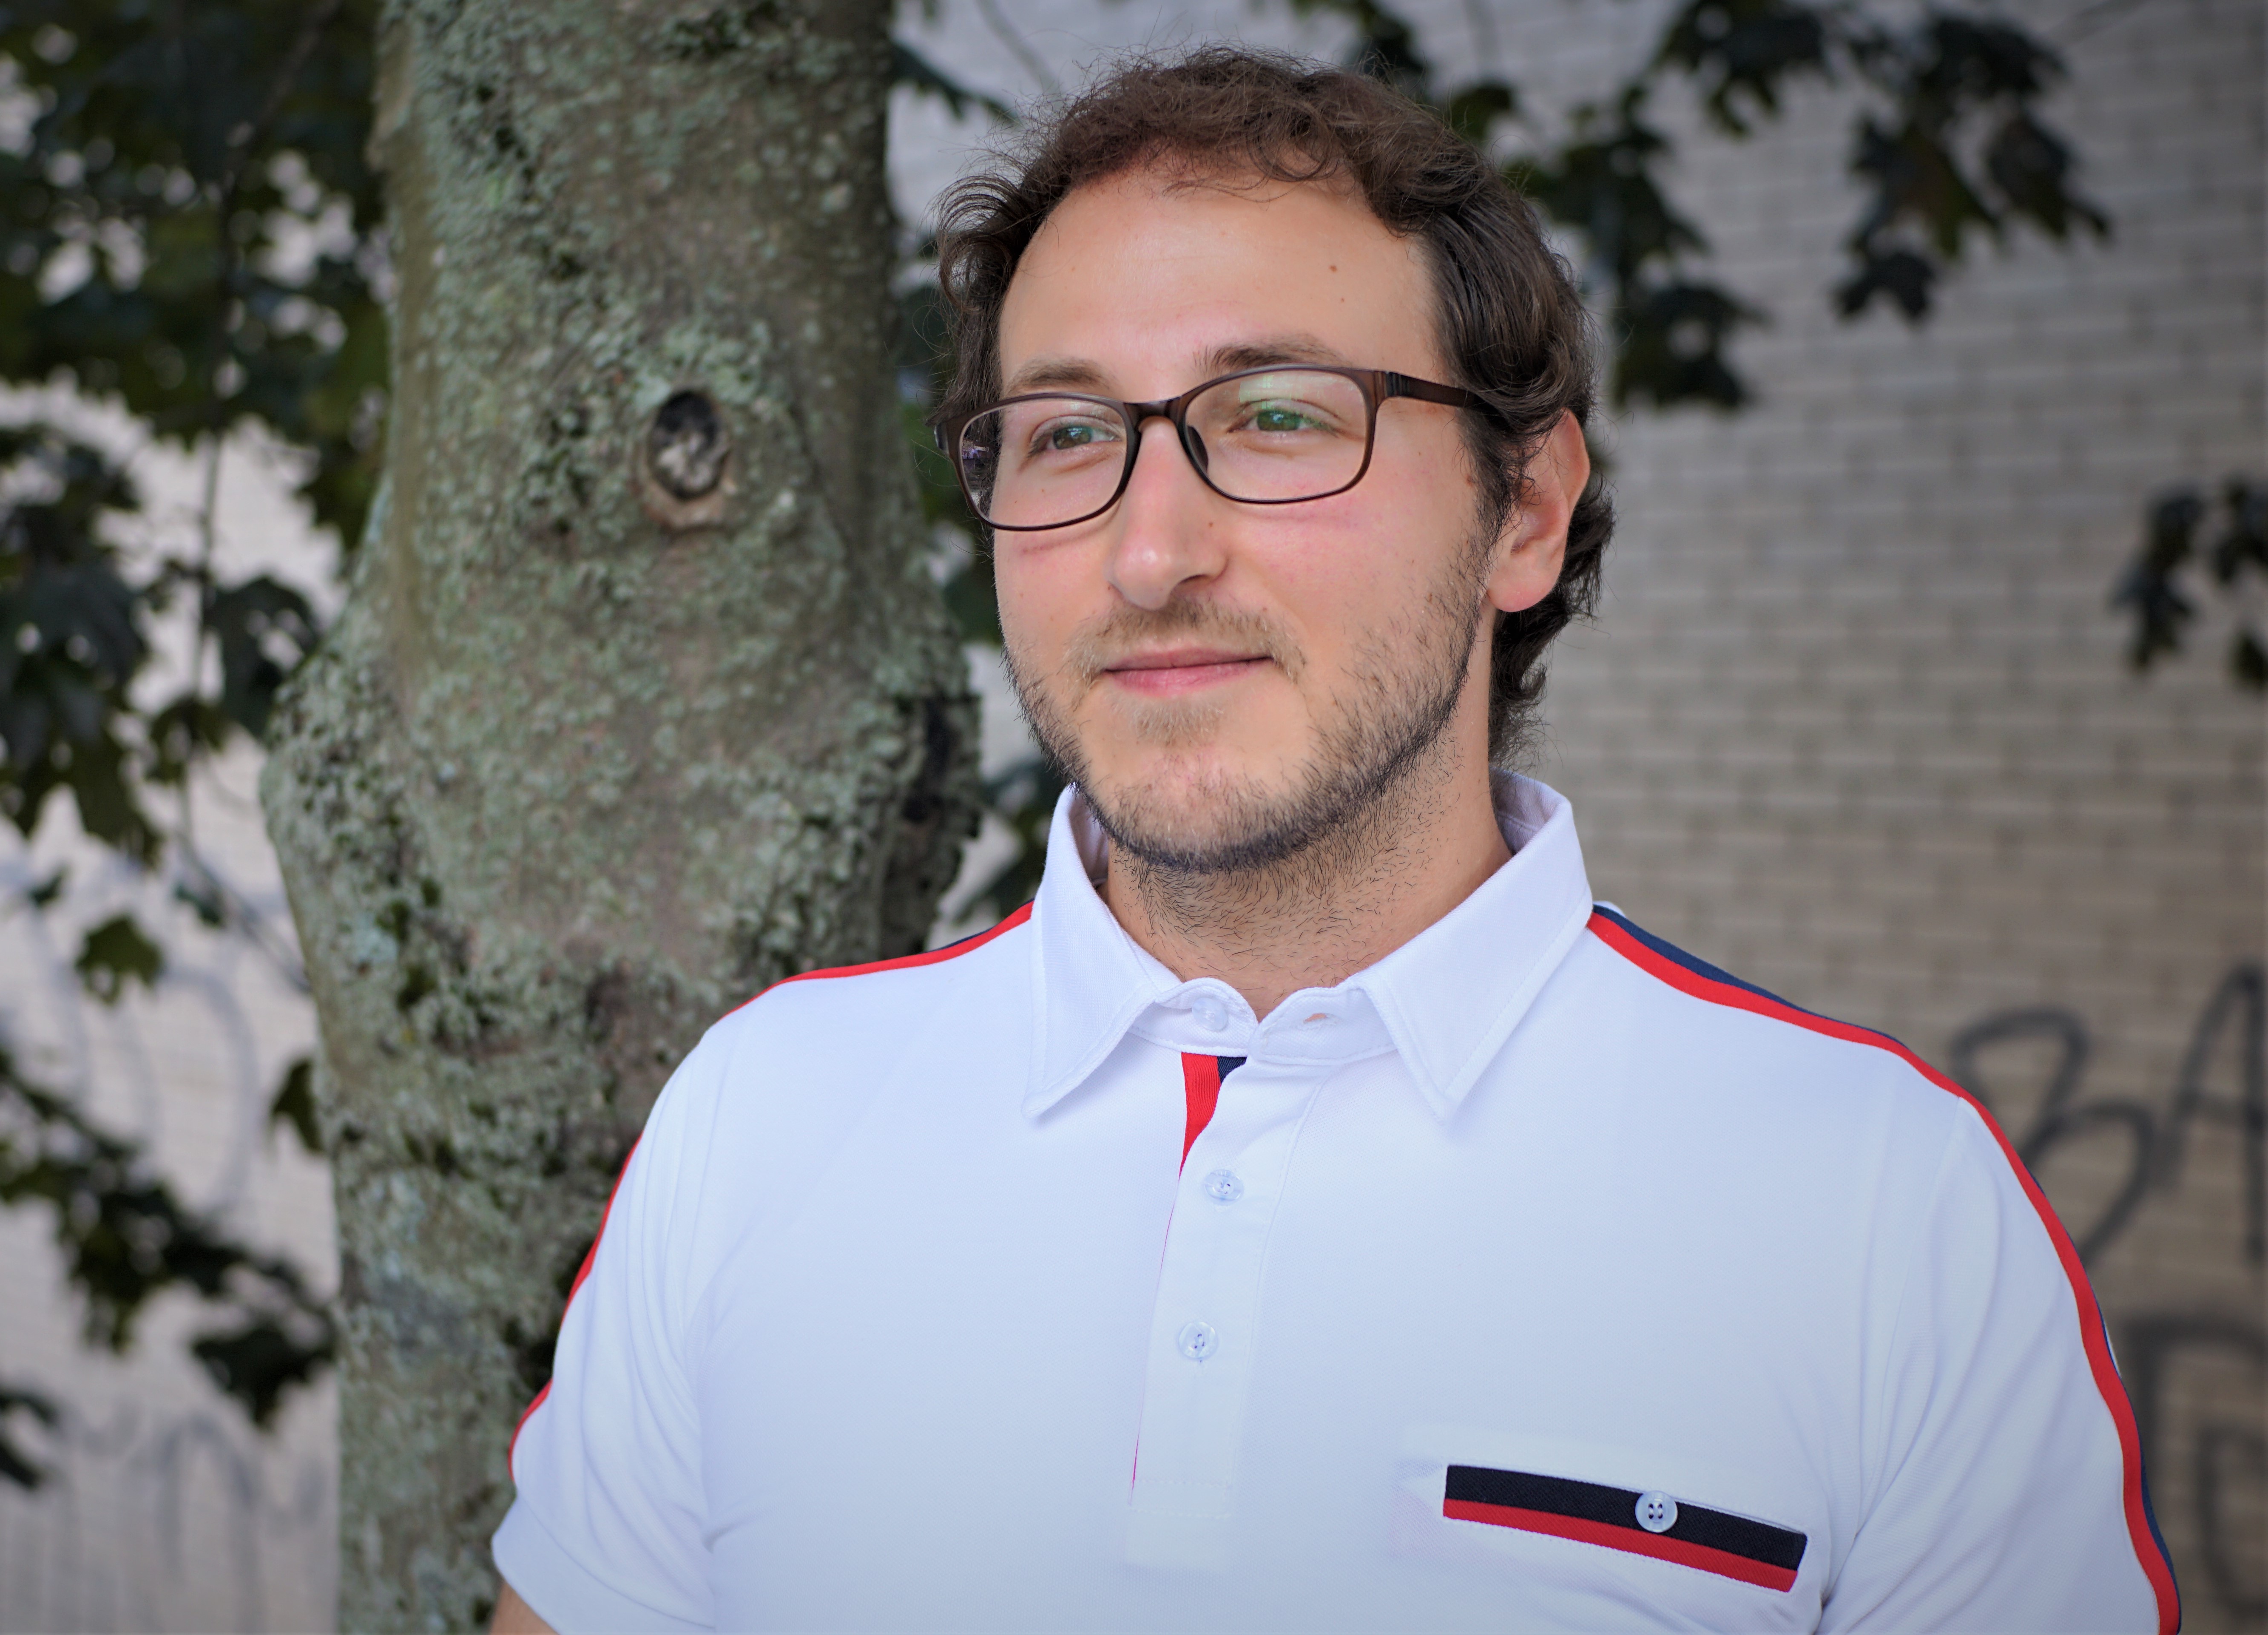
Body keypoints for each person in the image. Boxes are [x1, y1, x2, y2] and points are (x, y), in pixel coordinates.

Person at [490, 48, 2177, 1634]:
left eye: (1279, 416)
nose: (1150, 554)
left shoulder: (1888, 1211)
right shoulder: (760, 1117)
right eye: (1067, 434)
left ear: (1524, 512)